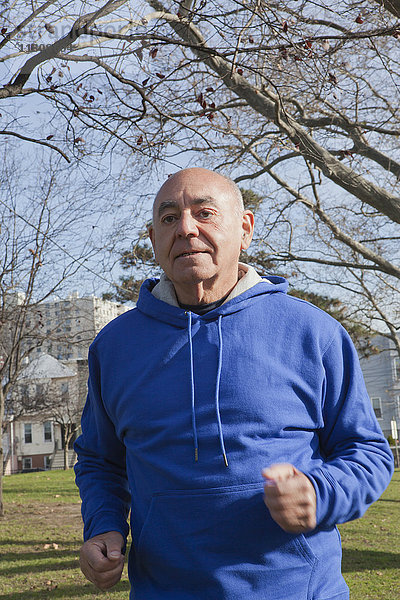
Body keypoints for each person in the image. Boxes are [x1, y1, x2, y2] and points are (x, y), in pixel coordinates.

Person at [74, 167, 394, 600]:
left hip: (299, 590)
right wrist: (104, 527)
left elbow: (367, 451)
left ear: (244, 230)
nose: (186, 228)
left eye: (204, 213)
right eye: (169, 219)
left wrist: (321, 493)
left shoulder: (311, 332)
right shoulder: (114, 346)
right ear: (153, 240)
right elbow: (99, 461)